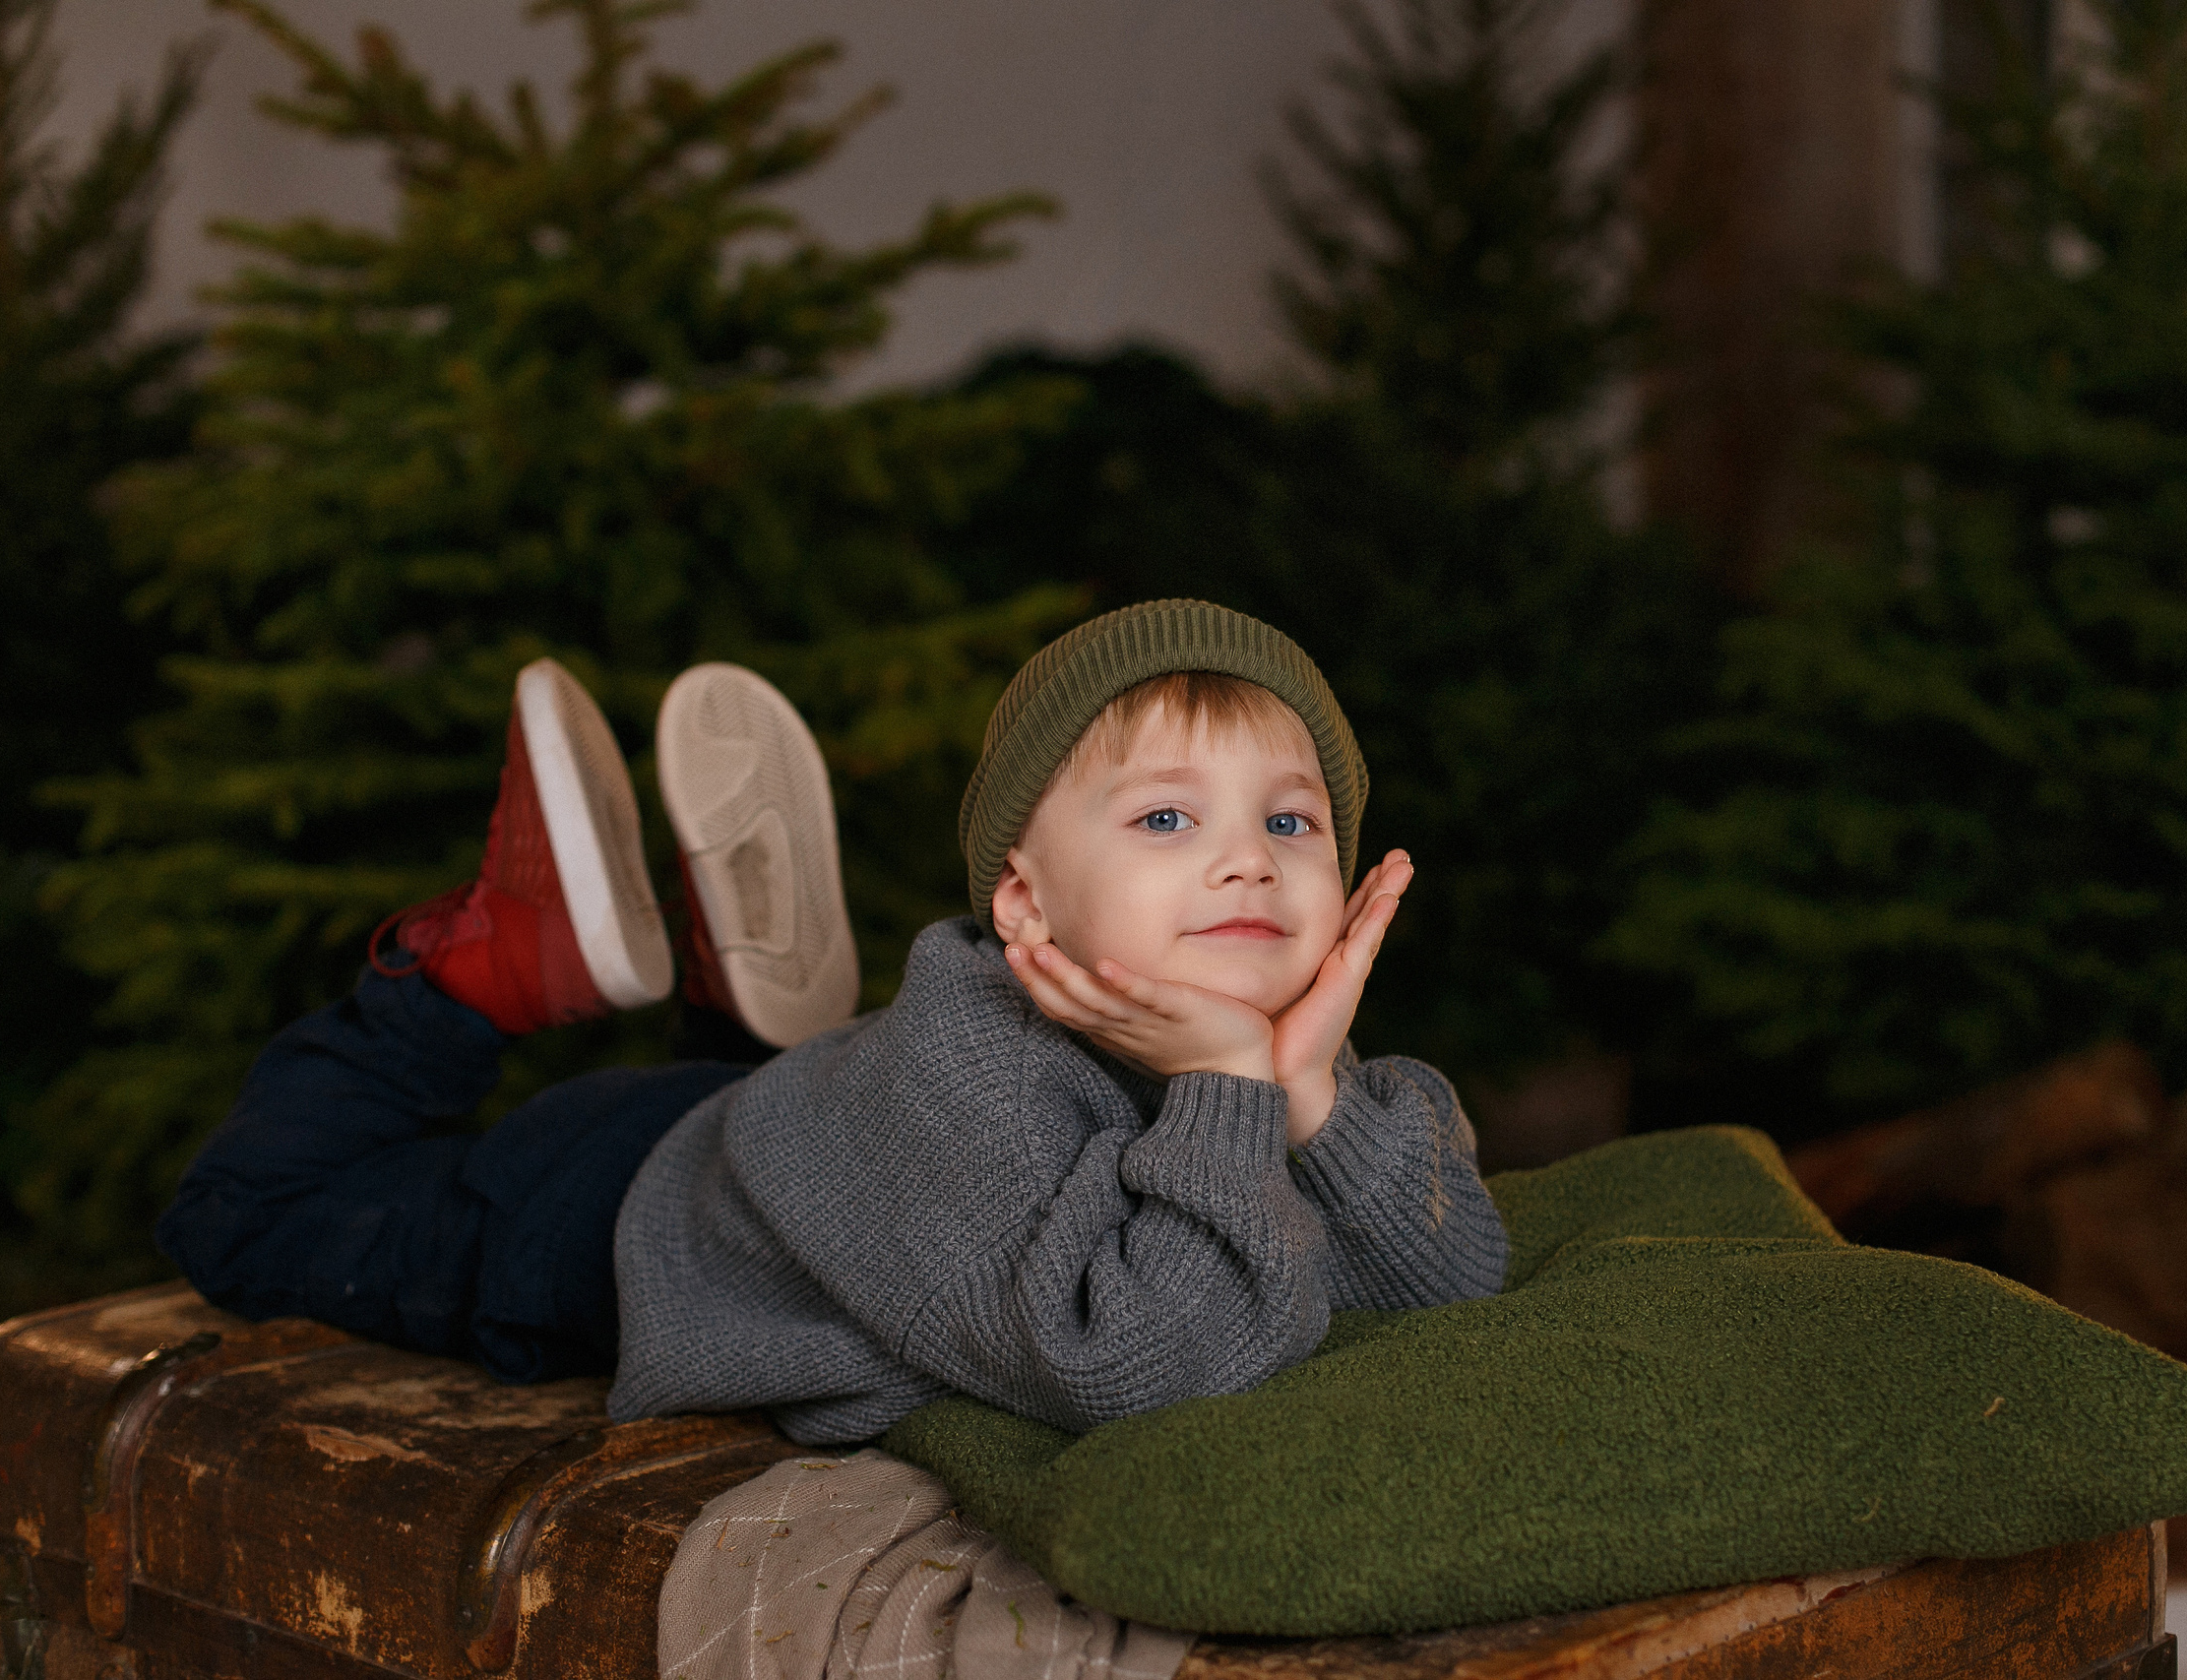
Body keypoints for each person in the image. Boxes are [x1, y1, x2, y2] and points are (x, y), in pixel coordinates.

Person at [160, 600, 1507, 1445]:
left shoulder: (1304, 1069)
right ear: (1025, 903)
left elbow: (1449, 1283)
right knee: (247, 1215)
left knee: (820, 1113)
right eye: (1167, 817)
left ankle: (736, 1013)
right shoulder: (983, 1071)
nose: (1248, 861)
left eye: (1292, 823)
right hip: (603, 1210)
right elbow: (1128, 1372)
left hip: (823, 1141)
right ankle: (482, 964)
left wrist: (1309, 1100)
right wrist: (1228, 1092)